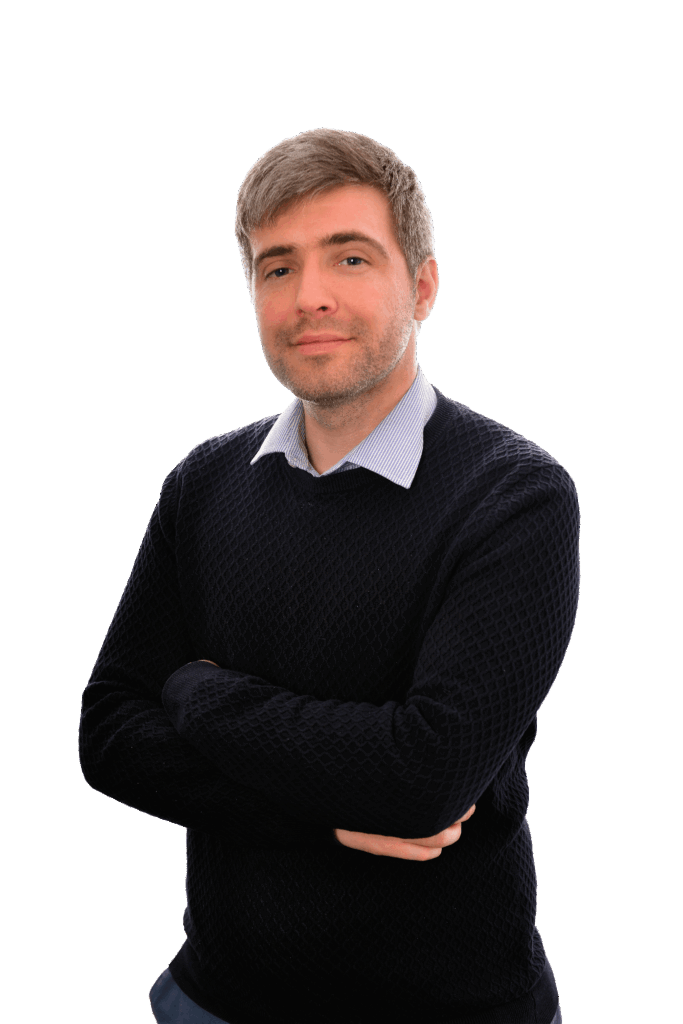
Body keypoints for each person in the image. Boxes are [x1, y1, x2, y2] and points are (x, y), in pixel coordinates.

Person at [79, 128, 578, 1024]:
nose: (309, 295)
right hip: (212, 999)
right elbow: (110, 734)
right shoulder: (204, 483)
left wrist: (194, 693)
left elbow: (424, 776)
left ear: (421, 286)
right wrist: (326, 810)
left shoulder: (515, 496)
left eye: (350, 257)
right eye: (277, 267)